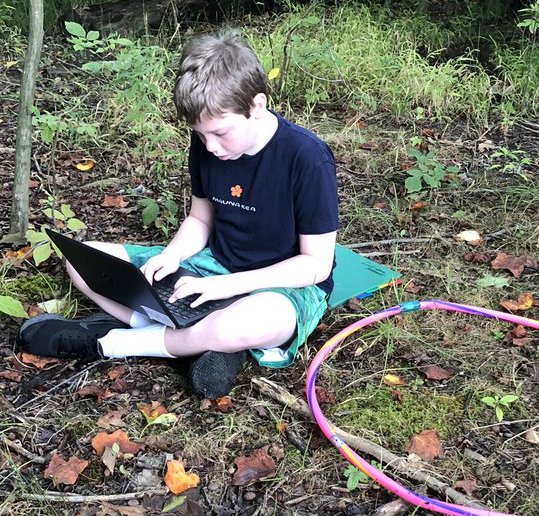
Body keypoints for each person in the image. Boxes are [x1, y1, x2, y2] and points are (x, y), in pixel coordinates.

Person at [18, 32, 339, 399]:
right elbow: (201, 220)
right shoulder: (206, 143)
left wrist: (226, 287)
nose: (211, 147)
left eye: (220, 133)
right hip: (212, 266)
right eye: (201, 136)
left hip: (281, 288)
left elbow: (315, 266)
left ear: (257, 105)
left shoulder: (307, 157)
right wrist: (170, 256)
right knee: (83, 260)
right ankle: (197, 342)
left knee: (249, 321)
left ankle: (116, 342)